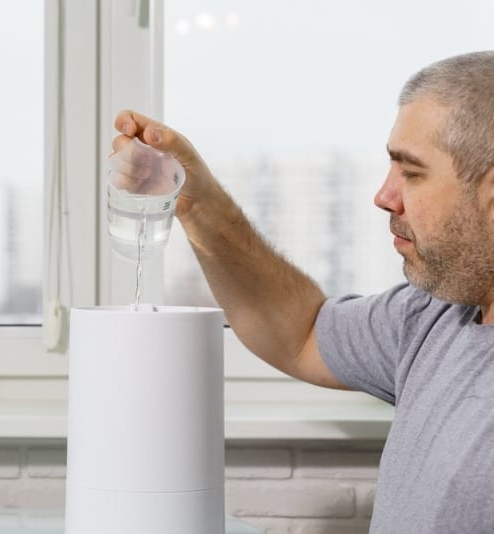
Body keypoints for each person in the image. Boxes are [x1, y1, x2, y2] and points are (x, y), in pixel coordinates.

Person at [111, 50, 494, 534]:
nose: (384, 196)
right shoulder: (435, 316)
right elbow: (303, 331)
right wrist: (195, 201)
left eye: (412, 173)